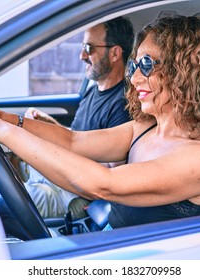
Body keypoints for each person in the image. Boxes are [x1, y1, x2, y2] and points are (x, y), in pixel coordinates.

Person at [0, 16, 200, 230]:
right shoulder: (145, 127)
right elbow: (73, 141)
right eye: (135, 64)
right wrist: (1, 116)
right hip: (111, 240)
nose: (135, 78)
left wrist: (2, 131)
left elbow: (103, 185)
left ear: (187, 72)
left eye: (147, 65)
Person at [19, 17, 134, 219]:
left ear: (115, 53)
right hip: (58, 173)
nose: (82, 55)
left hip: (75, 193)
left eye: (89, 48)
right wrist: (50, 125)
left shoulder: (123, 104)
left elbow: (113, 176)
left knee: (2, 204)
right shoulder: (93, 91)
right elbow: (77, 139)